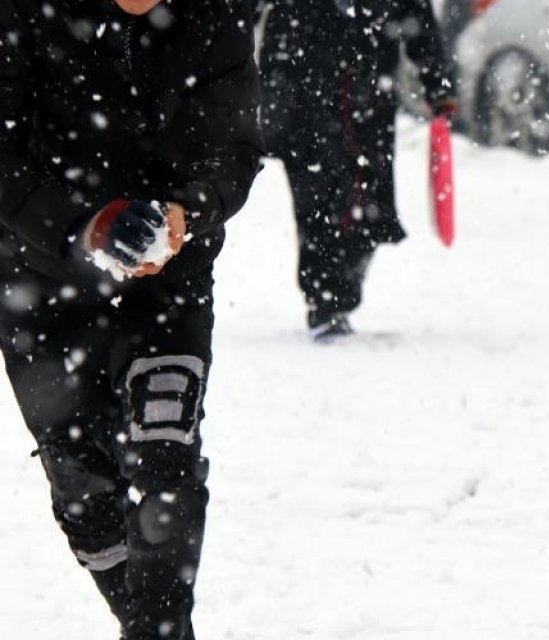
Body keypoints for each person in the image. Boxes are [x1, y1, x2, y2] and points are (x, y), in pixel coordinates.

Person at [0, 0, 262, 637]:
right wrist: (87, 225)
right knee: (85, 493)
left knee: (165, 456)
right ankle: (144, 619)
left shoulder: (215, 13)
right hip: (42, 279)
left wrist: (186, 212)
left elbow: (233, 149)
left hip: (167, 279)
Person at [255, 0, 457, 340]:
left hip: (365, 86)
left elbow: (415, 14)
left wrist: (437, 82)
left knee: (366, 198)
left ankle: (336, 287)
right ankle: (327, 296)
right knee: (316, 196)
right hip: (302, 80)